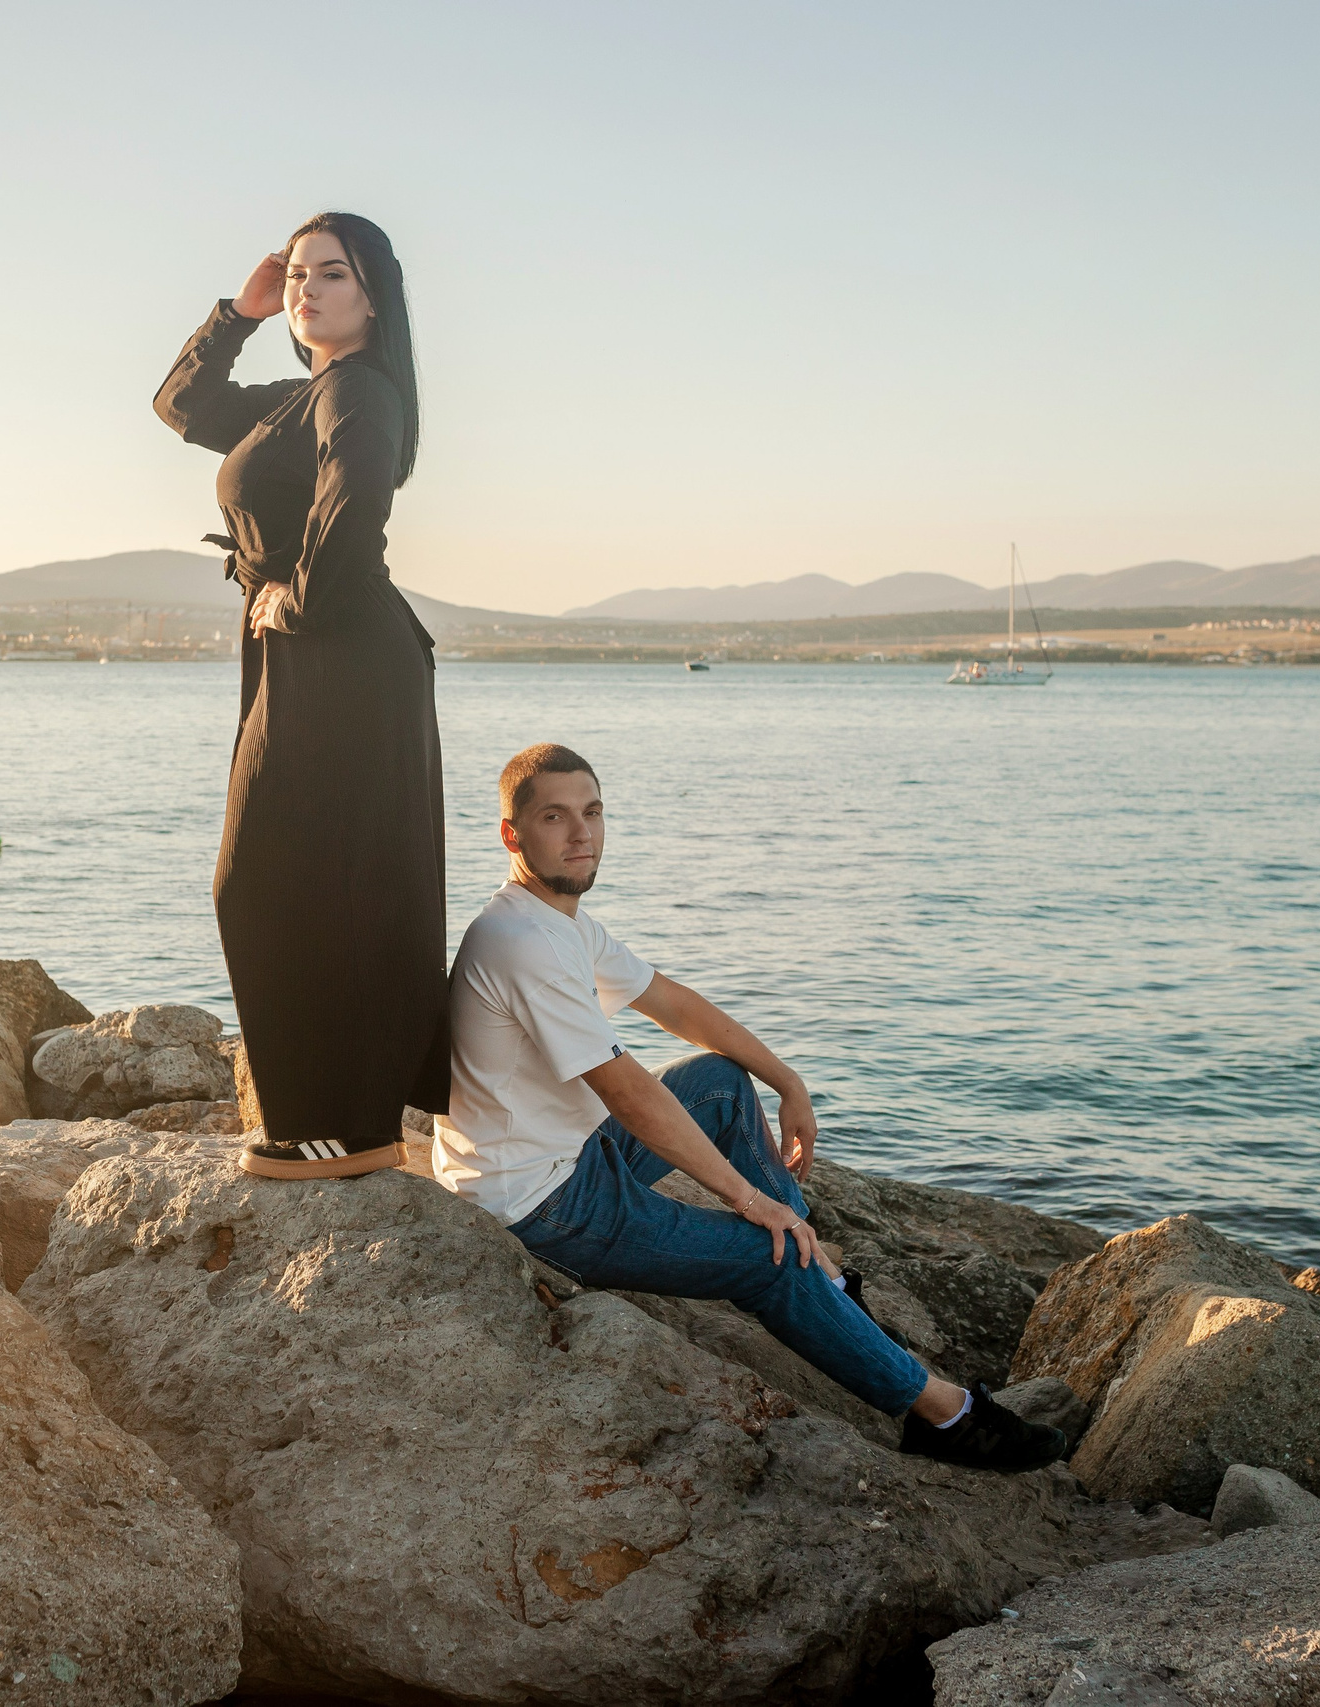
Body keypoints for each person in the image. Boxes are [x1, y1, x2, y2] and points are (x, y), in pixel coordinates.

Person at [429, 742, 1067, 1472]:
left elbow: (672, 1002)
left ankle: (826, 1282)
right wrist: (752, 1201)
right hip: (539, 1203)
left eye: (593, 811)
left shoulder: (557, 919)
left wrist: (788, 1081)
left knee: (719, 1082)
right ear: (513, 834)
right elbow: (629, 1092)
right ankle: (946, 1416)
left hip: (571, 1152)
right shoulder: (521, 942)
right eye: (554, 816)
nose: (581, 833)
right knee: (770, 1257)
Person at [152, 212, 449, 1179]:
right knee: (306, 880)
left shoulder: (362, 387)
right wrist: (235, 312)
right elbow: (183, 407)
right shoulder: (299, 394)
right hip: (312, 653)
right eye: (296, 277)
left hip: (341, 650)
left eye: (332, 273)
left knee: (297, 882)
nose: (305, 290)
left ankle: (345, 1127)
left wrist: (299, 599)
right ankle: (338, 1121)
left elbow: (355, 499)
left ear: (374, 296)